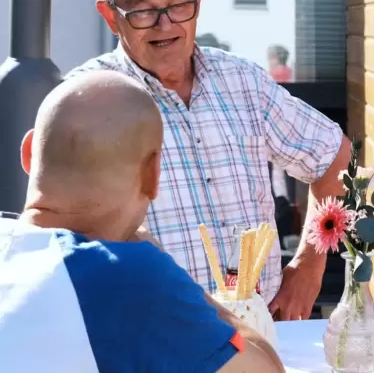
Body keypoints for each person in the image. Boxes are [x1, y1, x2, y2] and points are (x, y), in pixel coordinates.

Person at [65, 0, 351, 321]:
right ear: (111, 16)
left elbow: (334, 157)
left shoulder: (242, 81)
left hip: (259, 333)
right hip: (151, 339)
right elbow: (63, 237)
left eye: (178, 4)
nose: (165, 25)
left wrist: (308, 267)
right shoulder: (88, 99)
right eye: (143, 11)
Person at [0, 71, 284, 372]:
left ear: (29, 153)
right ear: (153, 174)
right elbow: (265, 368)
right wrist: (160, 262)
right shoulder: (126, 275)